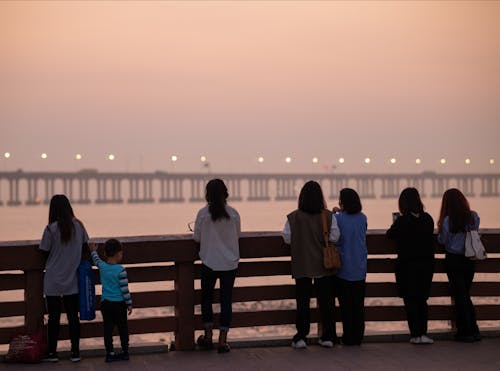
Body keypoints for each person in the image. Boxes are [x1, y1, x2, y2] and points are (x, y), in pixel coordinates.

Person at [282, 181, 340, 349]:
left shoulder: (294, 217)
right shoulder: (328, 216)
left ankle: (301, 336)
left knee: (303, 303)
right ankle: (328, 336)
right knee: (327, 302)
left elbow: (287, 237)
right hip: (324, 266)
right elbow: (335, 237)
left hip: (302, 266)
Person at [39, 194, 88, 363]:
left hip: (53, 279)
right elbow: (85, 249)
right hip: (72, 278)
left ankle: (52, 353)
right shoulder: (79, 227)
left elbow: (44, 252)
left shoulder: (50, 229)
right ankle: (75, 352)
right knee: (73, 316)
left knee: (54, 318)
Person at [193, 179, 241, 353]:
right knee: (226, 300)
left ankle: (207, 336)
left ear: (208, 195)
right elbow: (238, 235)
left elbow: (196, 238)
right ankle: (223, 340)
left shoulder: (203, 214)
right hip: (229, 263)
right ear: (225, 194)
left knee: (206, 298)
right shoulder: (234, 213)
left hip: (209, 261)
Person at [387, 188, 435, 344]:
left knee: (411, 301)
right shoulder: (428, 219)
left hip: (407, 266)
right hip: (426, 266)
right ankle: (423, 333)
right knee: (422, 300)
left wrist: (397, 221)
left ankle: (415, 334)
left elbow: (390, 234)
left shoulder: (402, 221)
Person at [437, 188, 481, 342]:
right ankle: (473, 330)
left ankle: (465, 331)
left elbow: (443, 241)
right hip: (469, 259)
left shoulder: (448, 220)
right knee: (465, 295)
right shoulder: (473, 217)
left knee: (460, 295)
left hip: (454, 259)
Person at [332, 188, 367, 346]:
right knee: (358, 305)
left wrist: (335, 214)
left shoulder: (338, 219)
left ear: (342, 202)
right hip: (360, 266)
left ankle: (348, 337)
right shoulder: (362, 217)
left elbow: (336, 238)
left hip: (344, 267)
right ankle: (358, 336)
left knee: (346, 305)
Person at [89, 239, 132, 362]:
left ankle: (110, 353)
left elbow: (96, 261)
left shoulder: (102, 266)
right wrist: (129, 304)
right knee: (122, 328)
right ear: (118, 254)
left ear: (106, 254)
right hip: (119, 304)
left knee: (108, 328)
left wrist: (93, 251)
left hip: (106, 303)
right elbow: (125, 290)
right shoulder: (121, 270)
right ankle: (125, 352)